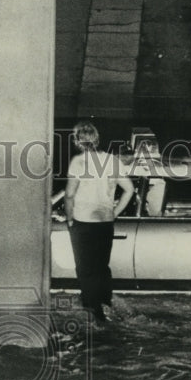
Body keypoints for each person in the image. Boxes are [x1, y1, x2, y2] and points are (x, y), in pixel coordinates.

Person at [63, 121, 134, 322]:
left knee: (86, 269)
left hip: (83, 221)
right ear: (97, 139)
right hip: (105, 221)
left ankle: (95, 314)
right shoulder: (113, 160)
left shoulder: (79, 162)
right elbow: (129, 190)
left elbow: (69, 195)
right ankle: (105, 303)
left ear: (78, 141)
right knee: (102, 267)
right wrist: (115, 212)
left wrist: (69, 219)